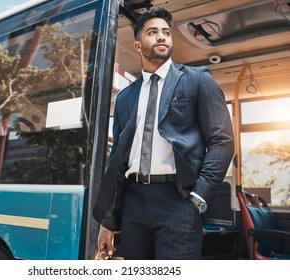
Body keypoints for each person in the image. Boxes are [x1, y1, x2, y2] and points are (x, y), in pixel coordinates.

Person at [93, 7, 234, 260]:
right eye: (152, 32)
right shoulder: (125, 97)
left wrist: (198, 198)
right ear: (137, 45)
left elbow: (221, 142)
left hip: (178, 200)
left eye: (166, 32)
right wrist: (107, 221)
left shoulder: (198, 79)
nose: (161, 37)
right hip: (133, 203)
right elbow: (117, 159)